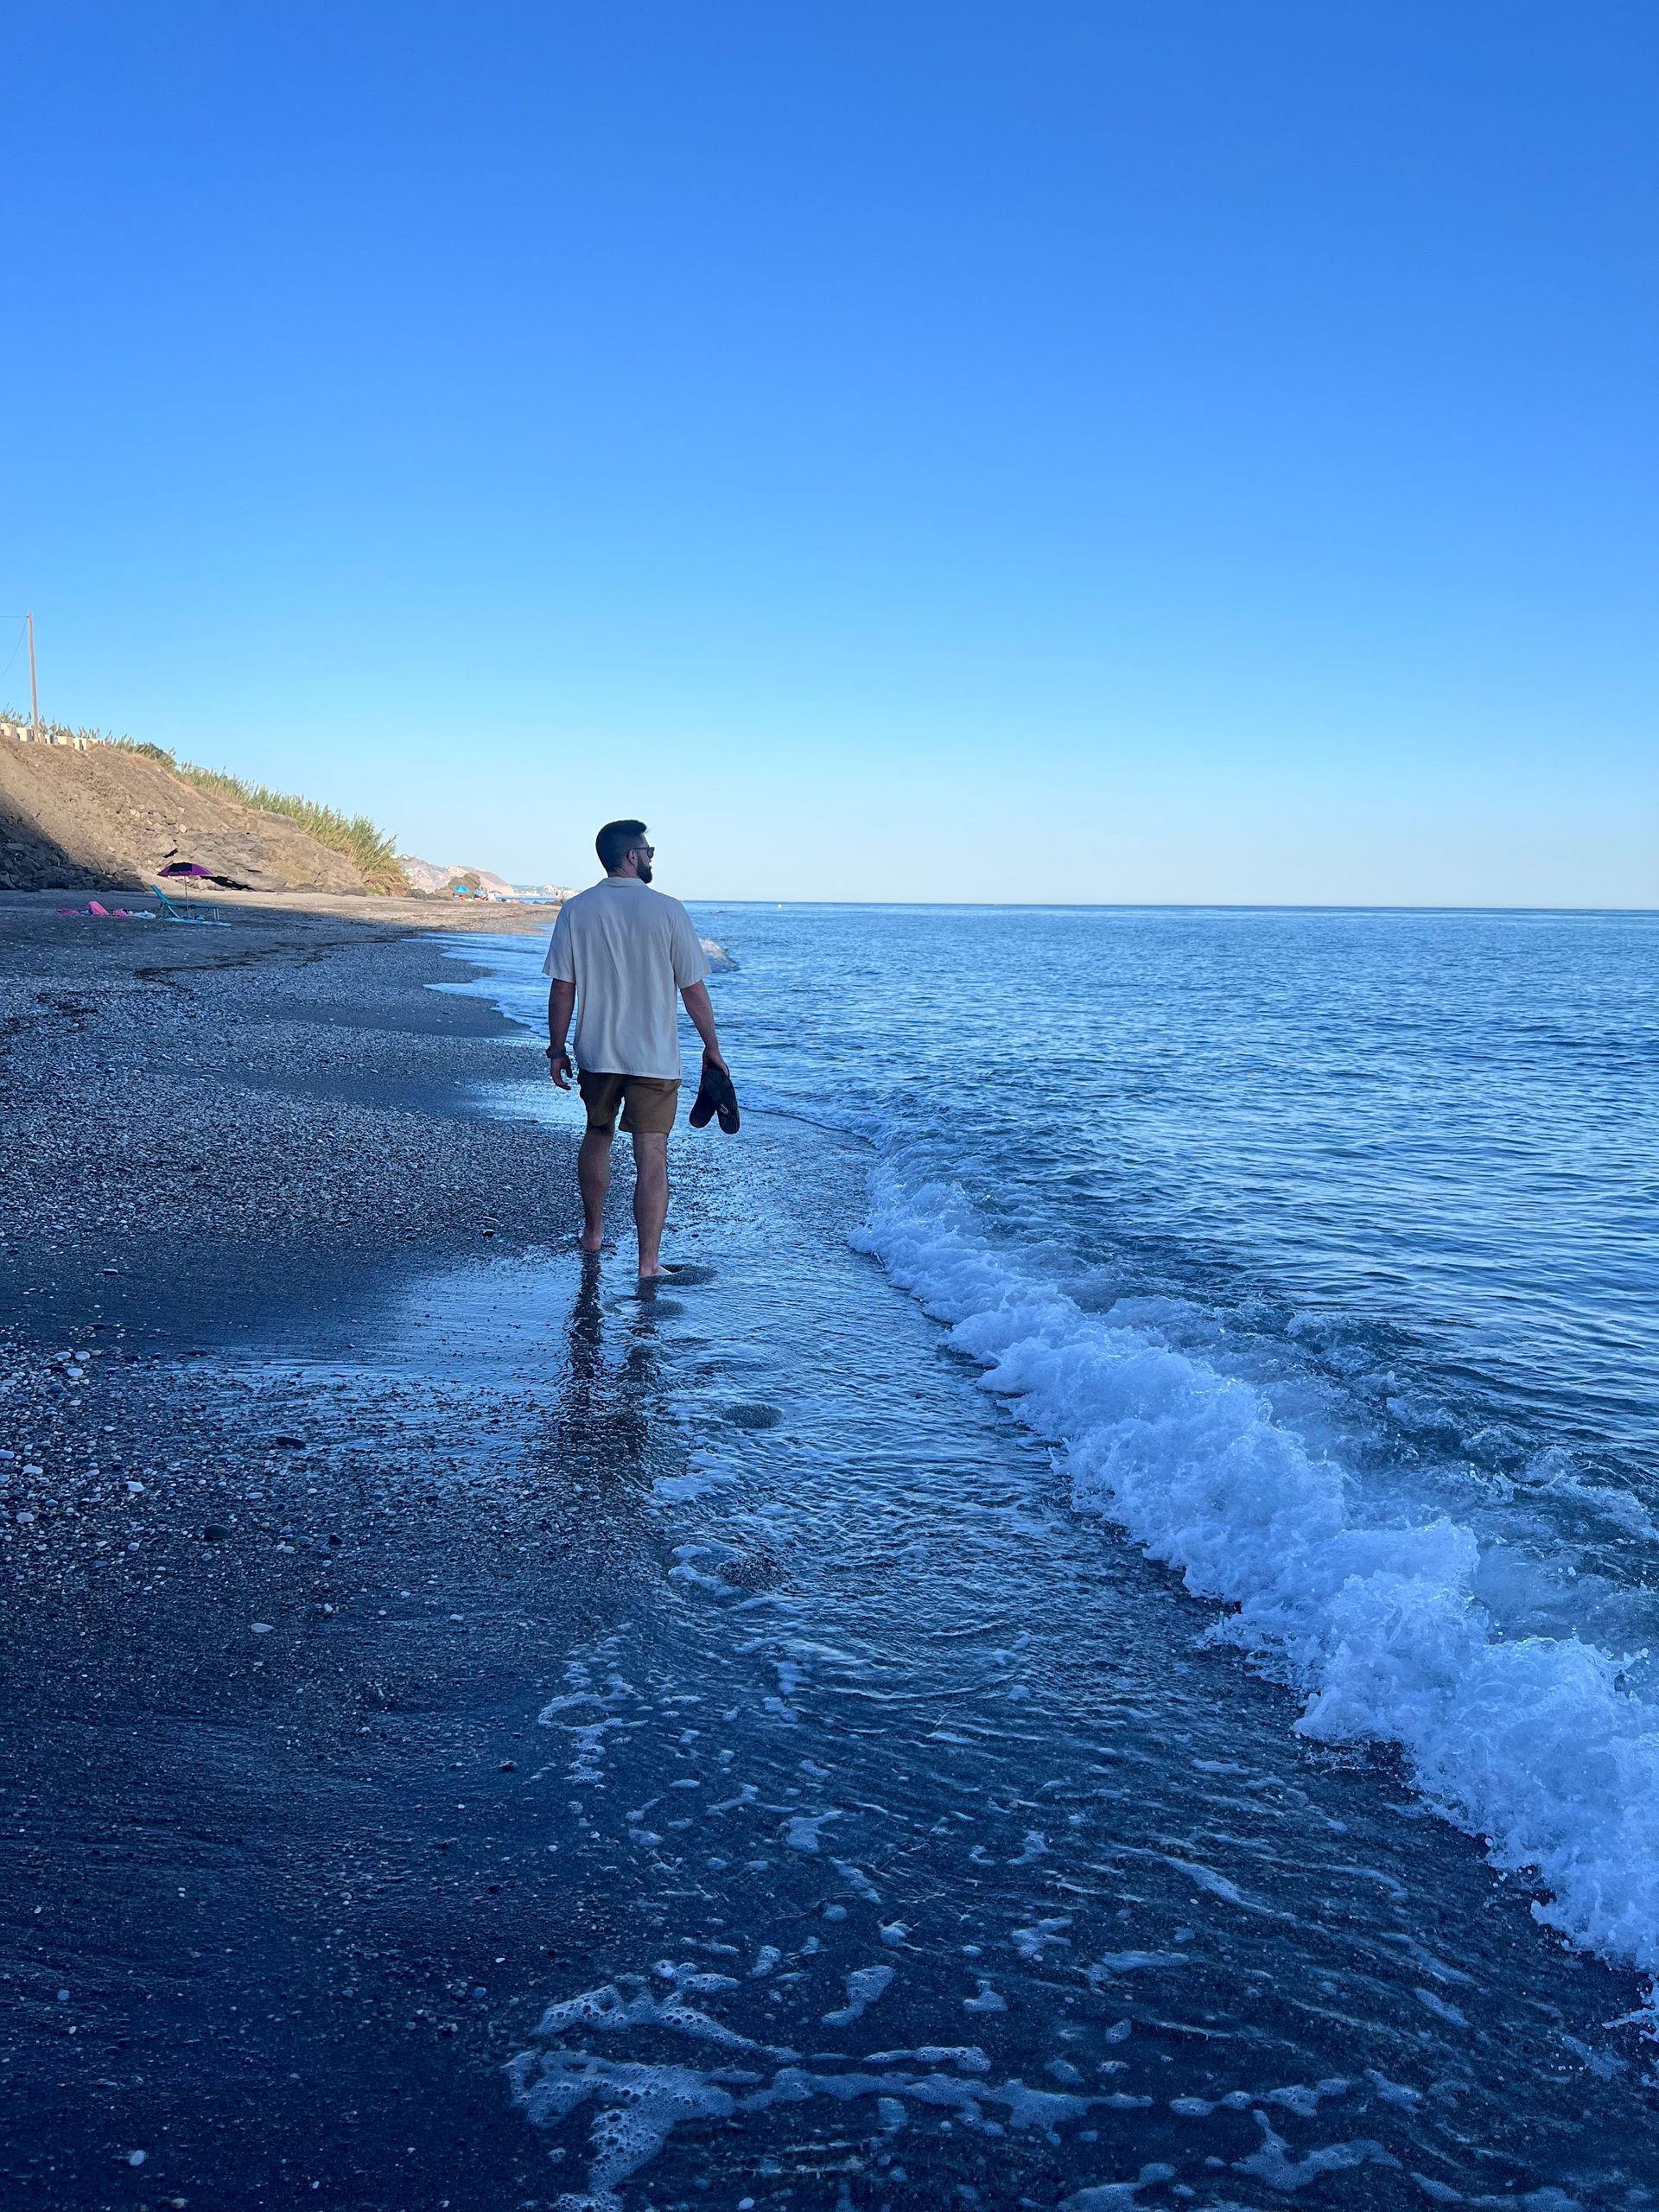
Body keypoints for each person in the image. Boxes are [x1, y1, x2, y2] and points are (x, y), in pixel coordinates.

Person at [543, 819, 729, 1280]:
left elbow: (563, 989)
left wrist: (556, 1048)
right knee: (651, 1152)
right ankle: (648, 1264)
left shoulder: (577, 910)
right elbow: (693, 990)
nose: (650, 858)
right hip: (655, 1057)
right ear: (631, 856)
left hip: (596, 1051)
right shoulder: (667, 909)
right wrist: (713, 1049)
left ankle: (593, 1234)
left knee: (598, 1134)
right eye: (648, 851)